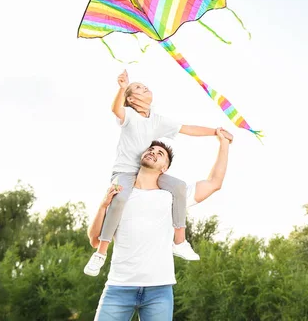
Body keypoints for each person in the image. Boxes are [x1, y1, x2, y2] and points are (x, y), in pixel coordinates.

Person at [84, 69, 233, 277]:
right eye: (137, 87)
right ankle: (101, 253)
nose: (143, 87)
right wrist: (120, 89)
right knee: (119, 200)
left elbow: (187, 129)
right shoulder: (129, 116)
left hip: (147, 175)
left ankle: (180, 241)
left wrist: (216, 133)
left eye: (143, 85)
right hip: (126, 173)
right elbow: (116, 109)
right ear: (131, 99)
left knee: (180, 187)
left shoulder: (157, 121)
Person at [88, 129, 232, 320]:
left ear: (164, 168)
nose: (153, 152)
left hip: (159, 290)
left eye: (160, 153)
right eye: (151, 149)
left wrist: (224, 144)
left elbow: (214, 182)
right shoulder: (120, 194)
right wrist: (103, 206)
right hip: (118, 287)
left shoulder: (171, 196)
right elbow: (94, 240)